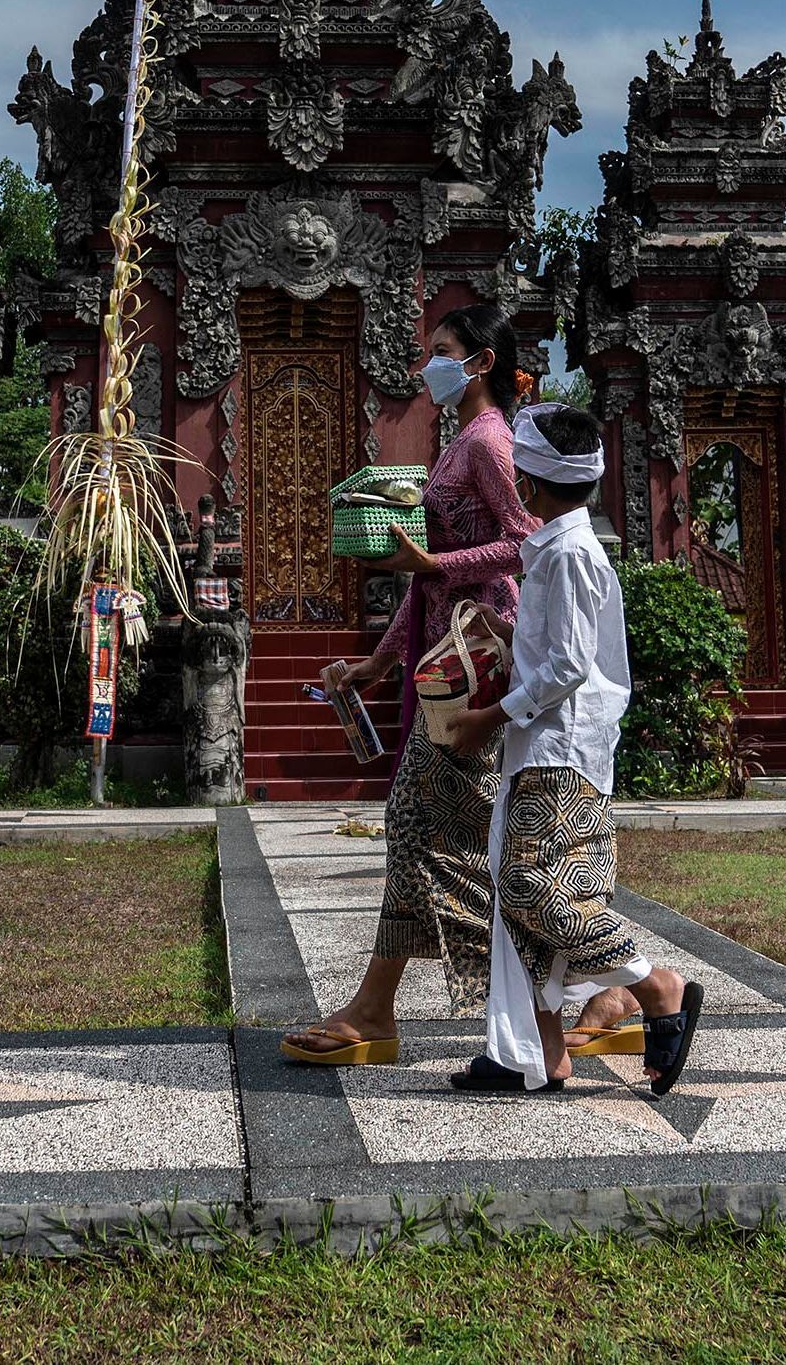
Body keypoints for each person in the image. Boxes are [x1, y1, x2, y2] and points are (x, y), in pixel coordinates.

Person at [281, 302, 536, 1065]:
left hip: (478, 659)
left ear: (480, 363)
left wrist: (438, 567)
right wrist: (377, 662)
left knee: (425, 824)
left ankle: (611, 982)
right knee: (428, 830)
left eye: (443, 351)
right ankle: (377, 1007)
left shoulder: (491, 441)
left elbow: (526, 542)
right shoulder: (457, 441)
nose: (429, 364)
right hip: (437, 657)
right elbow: (423, 589)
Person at [446, 404, 704, 1098]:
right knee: (526, 890)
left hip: (559, 748)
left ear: (526, 482)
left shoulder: (565, 554)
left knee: (530, 885)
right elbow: (556, 654)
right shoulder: (562, 551)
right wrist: (508, 635)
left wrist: (485, 718)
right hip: (558, 744)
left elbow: (565, 669)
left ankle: (656, 986)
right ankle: (537, 1052)